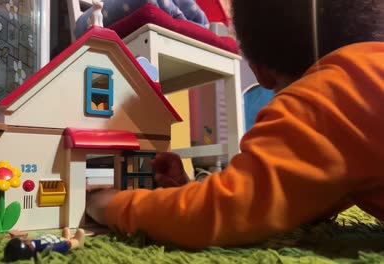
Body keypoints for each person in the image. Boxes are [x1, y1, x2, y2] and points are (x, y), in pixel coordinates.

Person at [86, 0, 384, 249]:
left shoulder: (328, 95)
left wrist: (110, 205)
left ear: (261, 73)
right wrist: (186, 190)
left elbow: (224, 211)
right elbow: (298, 200)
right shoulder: (368, 74)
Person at [4, 227, 85, 262]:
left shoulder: (33, 242)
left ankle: (66, 237)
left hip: (55, 238)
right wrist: (66, 245)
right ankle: (78, 241)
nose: (24, 239)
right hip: (59, 242)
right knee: (77, 235)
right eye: (24, 241)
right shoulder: (43, 249)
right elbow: (54, 248)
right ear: (29, 248)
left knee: (66, 231)